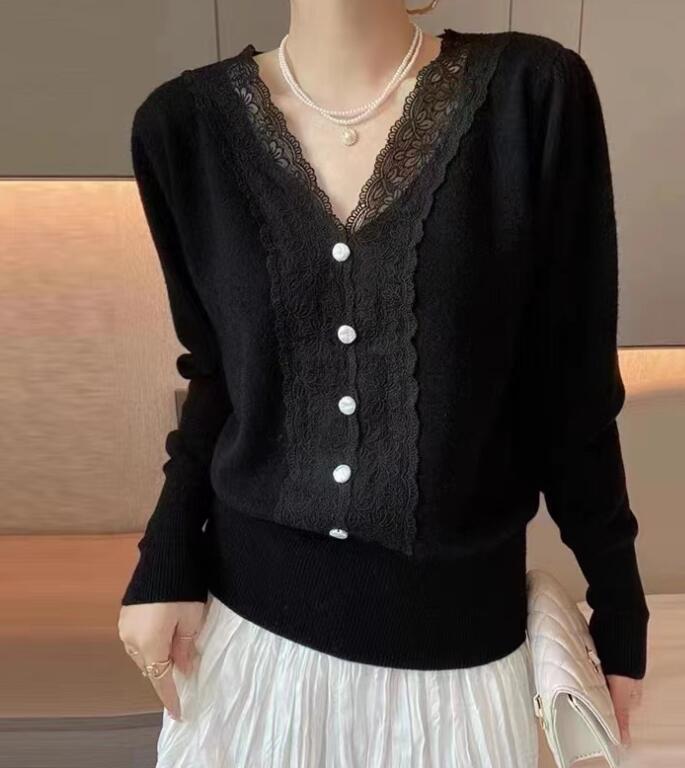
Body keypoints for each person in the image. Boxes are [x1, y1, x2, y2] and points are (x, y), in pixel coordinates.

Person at [117, 1, 650, 765]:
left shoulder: (531, 93)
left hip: (457, 666)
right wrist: (163, 562)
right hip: (244, 652)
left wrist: (619, 609)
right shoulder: (181, 127)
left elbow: (570, 389)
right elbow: (217, 375)